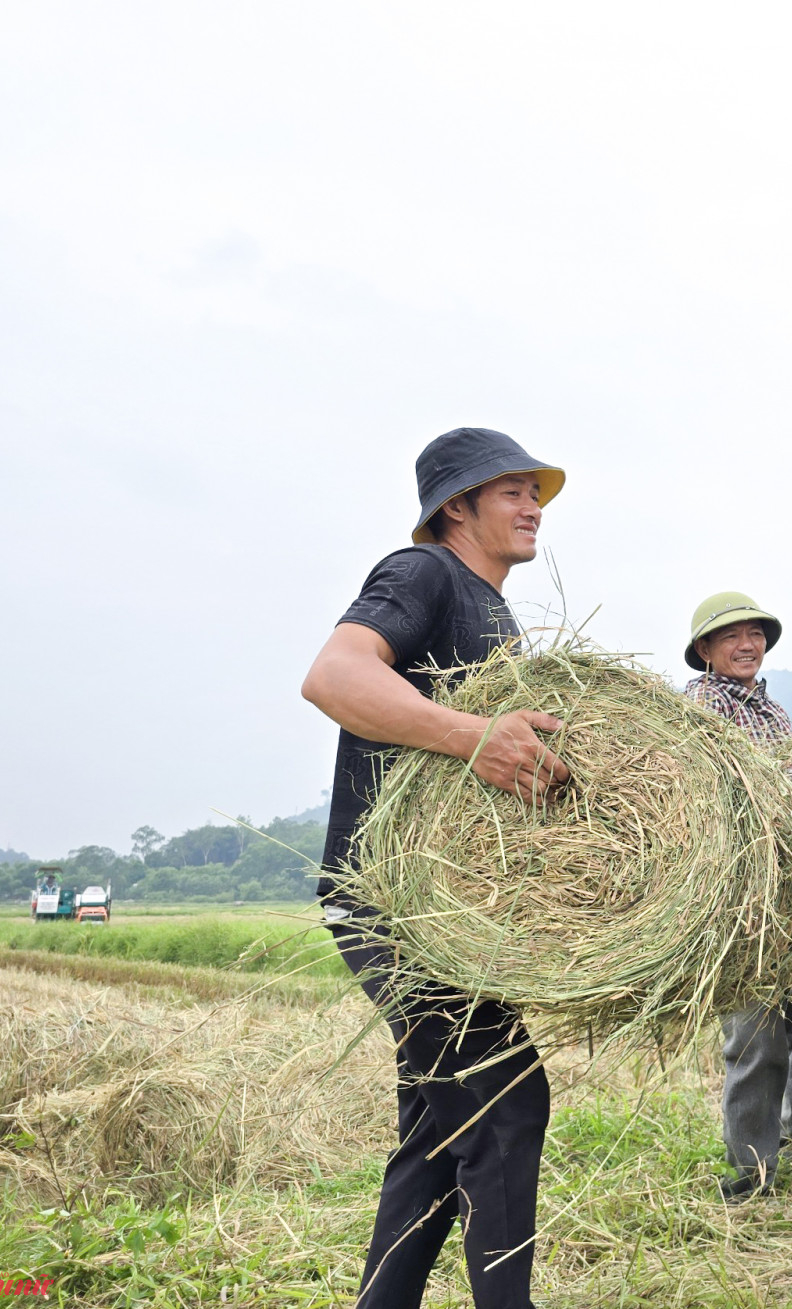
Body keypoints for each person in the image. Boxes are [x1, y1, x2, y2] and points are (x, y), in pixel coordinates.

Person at [300, 427, 570, 1309]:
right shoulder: (423, 575)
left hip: (457, 916)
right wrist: (475, 735)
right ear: (456, 506)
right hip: (389, 905)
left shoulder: (498, 615)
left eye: (537, 492)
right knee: (506, 1097)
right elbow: (334, 675)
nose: (534, 507)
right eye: (511, 492)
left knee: (436, 1125)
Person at [682, 591, 792, 1201]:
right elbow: (720, 788)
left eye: (755, 634)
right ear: (706, 651)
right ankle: (752, 1170)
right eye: (731, 637)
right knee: (757, 1037)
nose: (747, 644)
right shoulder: (699, 706)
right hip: (744, 898)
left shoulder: (772, 710)